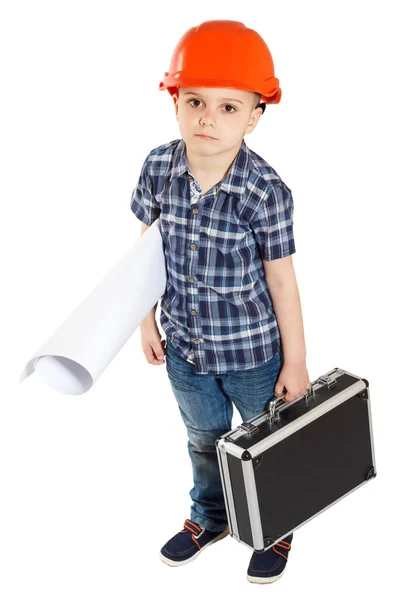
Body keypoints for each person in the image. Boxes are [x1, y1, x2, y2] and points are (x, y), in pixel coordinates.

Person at [130, 20, 311, 584]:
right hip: (186, 350)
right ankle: (209, 518)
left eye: (228, 107)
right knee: (204, 441)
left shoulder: (264, 191)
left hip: (254, 353)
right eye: (195, 101)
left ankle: (274, 523)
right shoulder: (159, 169)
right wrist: (145, 321)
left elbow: (282, 281)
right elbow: (143, 255)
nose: (208, 117)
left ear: (256, 115)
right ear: (174, 102)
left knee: (262, 441)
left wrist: (297, 360)